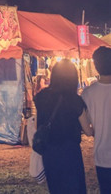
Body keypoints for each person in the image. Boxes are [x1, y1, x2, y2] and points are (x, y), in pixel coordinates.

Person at [34, 58, 93, 194]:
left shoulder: (42, 97)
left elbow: (38, 126)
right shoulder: (74, 99)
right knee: (74, 188)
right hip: (70, 152)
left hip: (49, 152)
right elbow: (88, 131)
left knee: (56, 187)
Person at [81, 46, 111, 194]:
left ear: (95, 65)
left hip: (102, 155)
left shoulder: (87, 93)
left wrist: (94, 130)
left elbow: (87, 129)